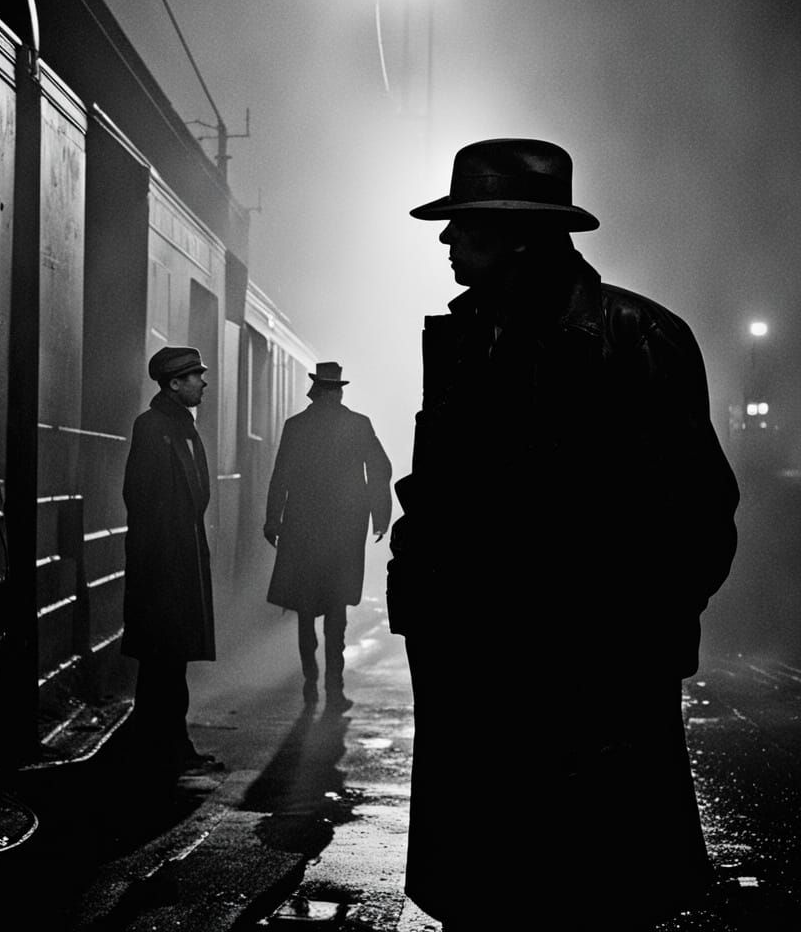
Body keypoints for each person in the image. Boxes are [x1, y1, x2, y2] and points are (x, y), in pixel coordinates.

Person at [386, 138, 739, 929]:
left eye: (464, 225)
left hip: (595, 697)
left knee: (591, 897)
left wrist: (628, 645)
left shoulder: (638, 337)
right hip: (481, 689)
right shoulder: (466, 341)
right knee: (492, 900)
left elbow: (699, 517)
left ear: (517, 235)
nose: (446, 241)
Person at [264, 362, 393, 711]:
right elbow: (380, 468)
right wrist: (380, 517)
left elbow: (281, 475)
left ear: (316, 390)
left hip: (303, 530)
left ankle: (310, 681)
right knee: (337, 610)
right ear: (337, 390)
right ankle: (334, 686)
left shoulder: (296, 427)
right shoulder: (359, 425)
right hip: (344, 531)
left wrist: (272, 520)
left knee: (305, 609)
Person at [122, 345, 221, 782]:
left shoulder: (180, 426)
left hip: (178, 559)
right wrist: (163, 555)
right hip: (163, 564)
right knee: (162, 661)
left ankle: (168, 745)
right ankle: (159, 748)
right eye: (195, 376)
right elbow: (140, 496)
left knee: (169, 661)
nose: (203, 382)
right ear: (174, 383)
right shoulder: (154, 427)